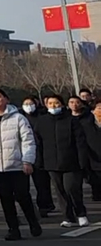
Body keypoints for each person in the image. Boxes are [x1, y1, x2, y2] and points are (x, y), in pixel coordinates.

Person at [0, 88, 42, 241]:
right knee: (5, 198)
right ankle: (13, 229)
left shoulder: (18, 118)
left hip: (18, 166)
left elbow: (28, 141)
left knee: (22, 195)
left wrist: (27, 161)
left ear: (6, 99)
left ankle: (33, 222)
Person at [33, 94, 89, 229]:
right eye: (50, 103)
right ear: (46, 105)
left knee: (71, 188)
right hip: (51, 162)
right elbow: (38, 142)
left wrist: (83, 162)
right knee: (60, 190)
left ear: (62, 105)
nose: (53, 106)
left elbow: (80, 142)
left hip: (71, 162)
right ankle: (68, 217)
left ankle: (81, 213)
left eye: (56, 103)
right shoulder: (42, 121)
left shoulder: (71, 120)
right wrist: (39, 161)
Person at [21, 95, 56, 217]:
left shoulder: (41, 118)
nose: (28, 106)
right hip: (22, 155)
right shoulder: (20, 118)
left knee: (42, 183)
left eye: (30, 104)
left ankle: (45, 205)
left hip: (39, 154)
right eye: (25, 103)